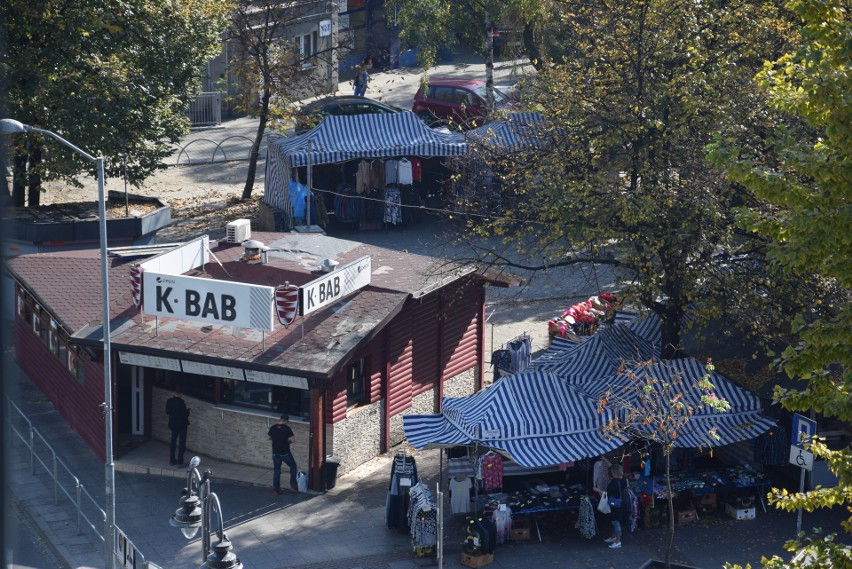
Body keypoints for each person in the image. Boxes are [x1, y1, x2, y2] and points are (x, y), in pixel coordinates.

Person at [268, 414, 298, 495]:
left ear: (280, 419)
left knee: (276, 470)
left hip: (275, 453)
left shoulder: (273, 427)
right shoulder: (287, 429)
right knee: (293, 466)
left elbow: (269, 438)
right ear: (285, 421)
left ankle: (276, 490)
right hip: (285, 452)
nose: (287, 423)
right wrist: (287, 442)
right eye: (287, 422)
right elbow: (293, 440)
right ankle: (293, 486)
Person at [604, 464, 629, 549]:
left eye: (612, 472)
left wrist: (597, 490)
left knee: (616, 522)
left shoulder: (615, 483)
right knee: (614, 520)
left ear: (615, 473)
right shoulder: (624, 479)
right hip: (622, 503)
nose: (611, 474)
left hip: (616, 504)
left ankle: (618, 541)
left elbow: (607, 492)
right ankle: (613, 537)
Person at [165, 388, 190, 466]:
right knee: (181, 443)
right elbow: (184, 415)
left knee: (173, 442)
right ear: (180, 394)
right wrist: (188, 411)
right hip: (182, 425)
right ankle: (180, 461)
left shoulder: (169, 401)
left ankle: (172, 460)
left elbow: (167, 412)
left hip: (173, 424)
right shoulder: (181, 403)